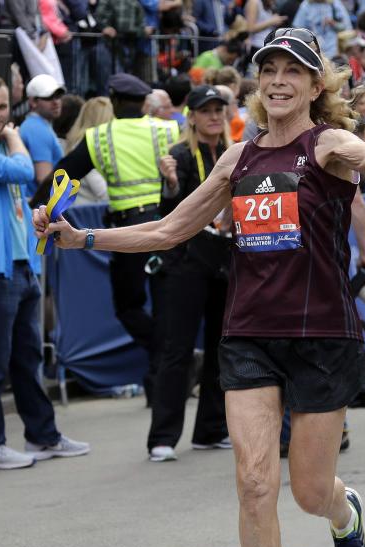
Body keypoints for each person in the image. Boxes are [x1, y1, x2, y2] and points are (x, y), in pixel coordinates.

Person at [35, 27, 365, 547]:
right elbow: (170, 229)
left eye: (292, 71)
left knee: (310, 492)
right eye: (269, 71)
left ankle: (346, 514)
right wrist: (84, 238)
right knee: (254, 483)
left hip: (321, 334)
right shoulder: (238, 158)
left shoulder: (329, 145)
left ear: (316, 85)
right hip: (248, 333)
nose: (278, 81)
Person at [0, 73, 90, 470]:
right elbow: (24, 171)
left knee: (27, 359)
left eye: (2, 107)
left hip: (19, 265)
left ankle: (43, 436)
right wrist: (13, 139)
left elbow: (17, 199)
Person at [44, 73, 181, 404]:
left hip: (126, 233)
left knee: (128, 306)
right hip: (168, 226)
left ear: (115, 102)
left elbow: (63, 175)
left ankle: (160, 367)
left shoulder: (99, 137)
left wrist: (42, 207)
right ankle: (165, 368)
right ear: (144, 103)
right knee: (164, 307)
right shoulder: (167, 129)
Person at [146, 85, 233, 463]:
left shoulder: (234, 154)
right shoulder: (179, 155)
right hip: (185, 264)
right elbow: (170, 211)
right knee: (177, 349)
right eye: (206, 110)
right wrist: (169, 182)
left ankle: (210, 430)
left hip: (224, 261)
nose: (214, 116)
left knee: (221, 348)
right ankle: (162, 437)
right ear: (191, 117)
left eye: (219, 109)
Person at [20, 74, 66, 186]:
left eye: (58, 96)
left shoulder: (36, 125)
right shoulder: (37, 129)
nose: (56, 102)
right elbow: (44, 179)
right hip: (42, 202)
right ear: (33, 102)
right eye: (49, 97)